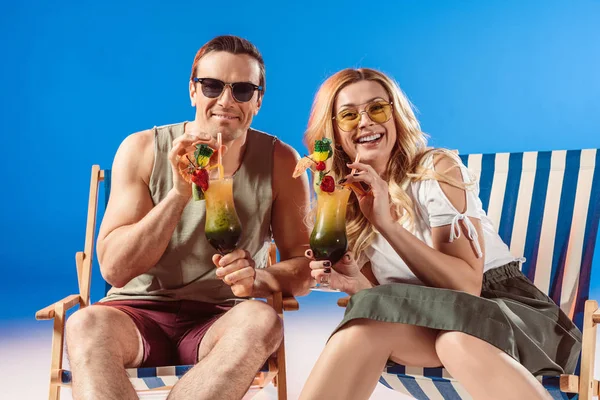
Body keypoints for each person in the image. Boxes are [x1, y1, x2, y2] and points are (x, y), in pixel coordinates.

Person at [297, 68, 582, 400]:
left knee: (454, 340)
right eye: (348, 115)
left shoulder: (435, 170)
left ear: (394, 115)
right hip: (431, 322)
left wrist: (386, 223)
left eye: (377, 108)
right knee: (364, 327)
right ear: (334, 132)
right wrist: (354, 283)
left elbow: (466, 288)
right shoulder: (347, 207)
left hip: (508, 317)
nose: (365, 122)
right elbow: (388, 305)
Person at [65, 35, 312, 400]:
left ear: (258, 101)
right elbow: (114, 269)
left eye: (242, 90)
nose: (226, 101)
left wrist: (258, 278)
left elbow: (303, 270)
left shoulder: (281, 161)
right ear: (193, 91)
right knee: (85, 323)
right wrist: (180, 192)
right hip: (136, 313)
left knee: (263, 321)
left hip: (222, 318)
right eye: (212, 85)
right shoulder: (142, 149)